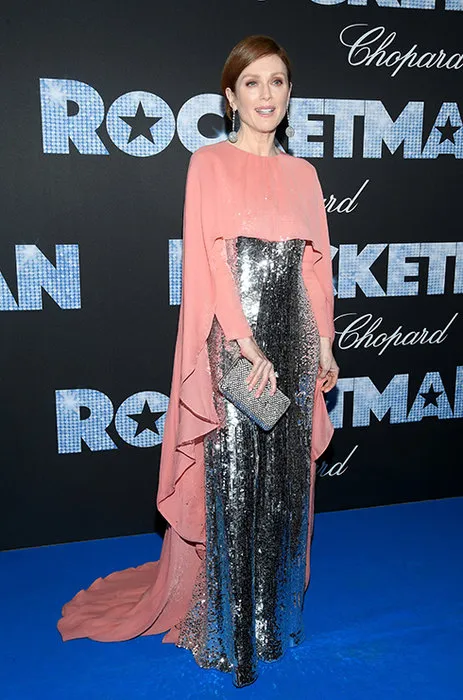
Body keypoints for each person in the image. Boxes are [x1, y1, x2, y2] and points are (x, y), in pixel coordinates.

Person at [57, 35, 339, 688]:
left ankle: (271, 618)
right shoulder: (209, 163)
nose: (267, 94)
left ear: (289, 93)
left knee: (284, 486)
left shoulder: (304, 175)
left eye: (277, 81)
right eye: (253, 83)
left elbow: (315, 267)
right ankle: (228, 629)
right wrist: (244, 343)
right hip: (235, 345)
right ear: (230, 97)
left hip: (295, 343)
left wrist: (324, 342)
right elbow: (209, 259)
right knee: (235, 482)